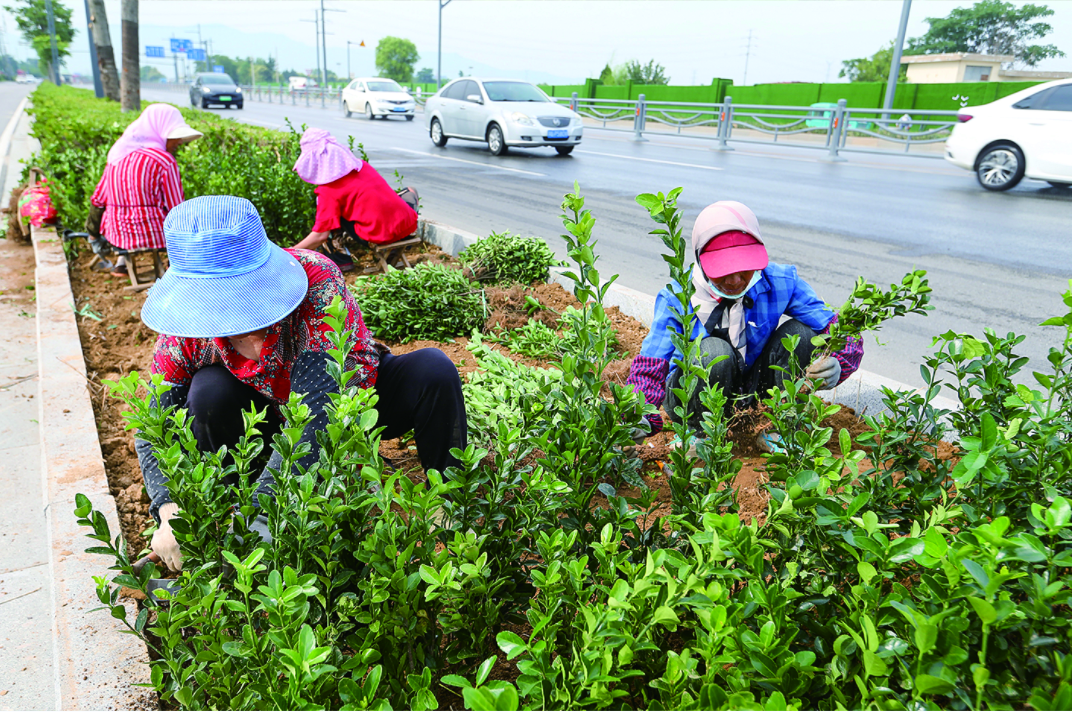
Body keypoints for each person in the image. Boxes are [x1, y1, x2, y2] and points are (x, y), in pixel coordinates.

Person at [137, 195, 466, 571]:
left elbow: (320, 409)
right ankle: (233, 496)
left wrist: (256, 520)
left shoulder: (317, 282)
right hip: (262, 418)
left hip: (351, 405)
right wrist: (168, 509)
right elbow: (154, 421)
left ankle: (450, 500)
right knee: (208, 392)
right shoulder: (187, 325)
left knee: (433, 370)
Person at [625, 200, 863, 448]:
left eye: (744, 268)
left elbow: (837, 329)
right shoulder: (678, 296)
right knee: (714, 352)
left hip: (756, 391)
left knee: (800, 335)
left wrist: (839, 358)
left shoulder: (779, 281)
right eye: (723, 270)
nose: (735, 280)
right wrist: (635, 415)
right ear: (701, 260)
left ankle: (777, 426)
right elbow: (653, 363)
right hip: (694, 397)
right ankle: (698, 436)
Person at [89, 103, 202, 279]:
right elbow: (177, 208)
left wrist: (93, 234)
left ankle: (121, 262)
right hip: (154, 236)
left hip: (117, 235)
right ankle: (177, 265)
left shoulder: (116, 156)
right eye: (174, 137)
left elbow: (98, 199)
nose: (179, 142)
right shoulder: (164, 161)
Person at [292, 128, 418, 257]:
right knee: (409, 191)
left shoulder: (327, 191)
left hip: (378, 235)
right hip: (407, 226)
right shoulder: (361, 166)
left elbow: (320, 235)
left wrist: (291, 252)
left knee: (328, 219)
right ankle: (404, 238)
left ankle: (341, 258)